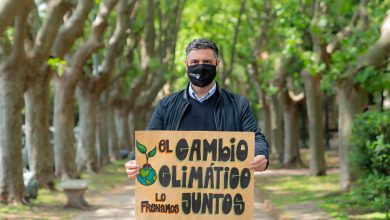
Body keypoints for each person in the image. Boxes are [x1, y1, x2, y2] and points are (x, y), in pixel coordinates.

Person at [125, 38, 269, 178]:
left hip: (222, 194)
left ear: (217, 64)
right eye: (194, 62)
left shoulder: (238, 105)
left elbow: (256, 138)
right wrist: (134, 161)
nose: (200, 67)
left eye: (207, 62)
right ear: (186, 64)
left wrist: (261, 154)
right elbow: (150, 141)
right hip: (176, 193)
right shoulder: (166, 105)